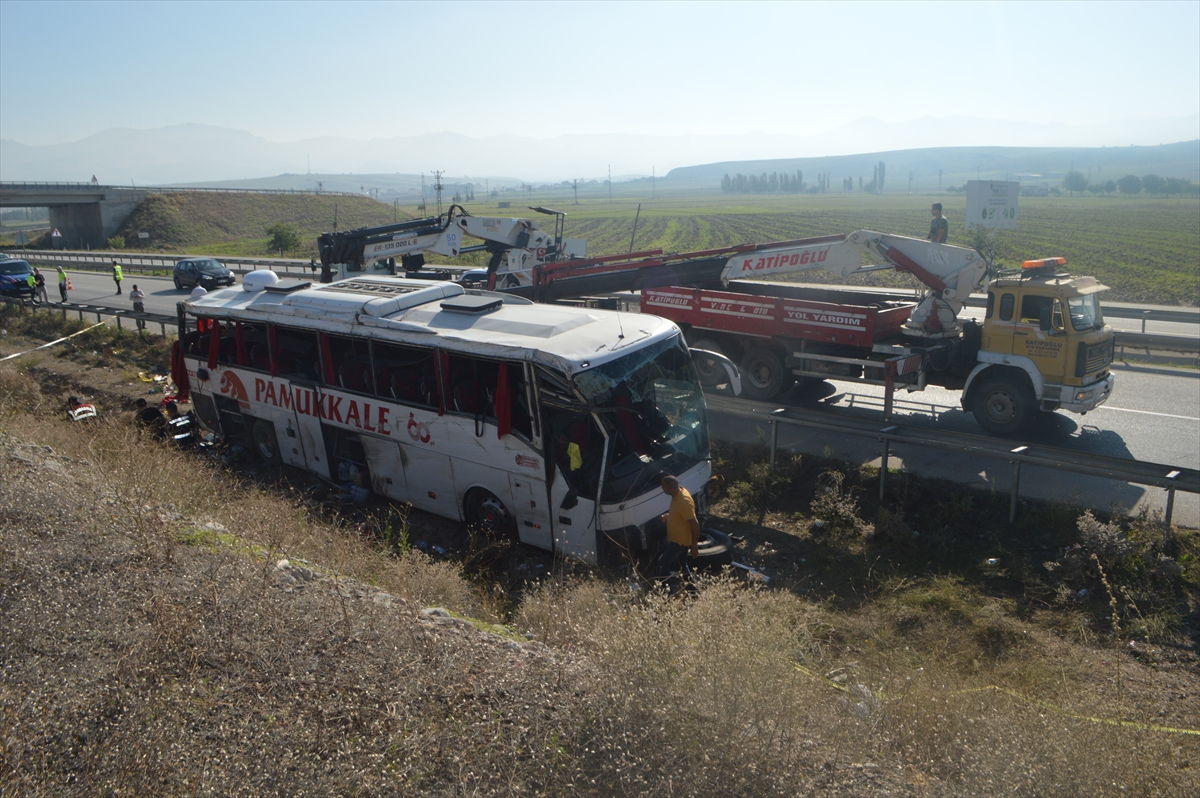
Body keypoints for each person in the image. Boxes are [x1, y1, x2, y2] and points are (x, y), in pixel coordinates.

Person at [657, 474, 700, 577]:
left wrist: (694, 545)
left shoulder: (683, 501)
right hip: (678, 539)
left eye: (664, 486)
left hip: (680, 541)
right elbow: (680, 513)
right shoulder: (678, 493)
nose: (662, 488)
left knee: (662, 563)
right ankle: (693, 591)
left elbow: (695, 524)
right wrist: (669, 515)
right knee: (681, 566)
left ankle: (667, 591)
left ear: (671, 489)